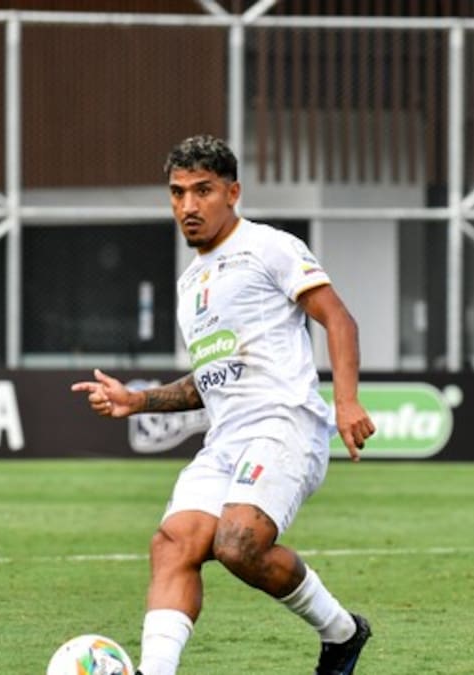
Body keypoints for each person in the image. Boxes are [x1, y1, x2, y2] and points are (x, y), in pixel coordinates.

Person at [71, 134, 376, 675]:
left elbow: (339, 319)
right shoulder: (191, 283)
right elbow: (209, 380)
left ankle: (343, 633)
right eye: (177, 193)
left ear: (233, 192)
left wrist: (346, 402)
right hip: (225, 441)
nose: (188, 206)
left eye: (203, 191)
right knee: (173, 543)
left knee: (237, 544)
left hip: (285, 427)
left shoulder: (269, 247)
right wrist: (136, 400)